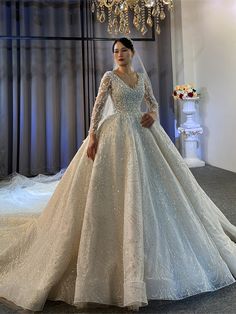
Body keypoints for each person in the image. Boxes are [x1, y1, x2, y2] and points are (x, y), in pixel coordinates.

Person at [0, 37, 236, 313]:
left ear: (132, 52)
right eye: (115, 51)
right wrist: (92, 136)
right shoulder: (109, 77)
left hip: (142, 134)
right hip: (113, 135)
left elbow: (152, 103)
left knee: (156, 189)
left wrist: (153, 115)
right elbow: (98, 108)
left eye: (124, 50)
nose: (119, 54)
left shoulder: (140, 77)